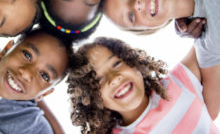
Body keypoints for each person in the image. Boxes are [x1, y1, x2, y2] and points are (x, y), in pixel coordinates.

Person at [67, 37, 220, 134]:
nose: (114, 79)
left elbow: (211, 33)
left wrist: (187, 22)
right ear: (91, 100)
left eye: (116, 63)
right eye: (98, 80)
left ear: (134, 63)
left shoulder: (178, 82)